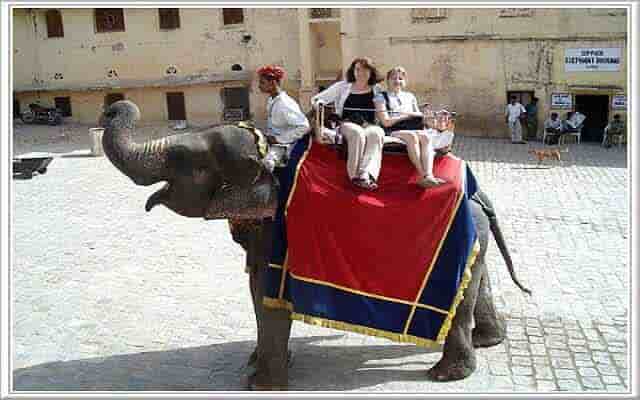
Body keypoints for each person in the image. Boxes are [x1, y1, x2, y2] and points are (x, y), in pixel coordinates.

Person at [311, 57, 386, 190]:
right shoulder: (343, 86)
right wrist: (320, 104)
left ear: (371, 72)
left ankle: (366, 174)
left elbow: (383, 108)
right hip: (347, 123)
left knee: (377, 133)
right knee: (357, 133)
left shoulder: (377, 89)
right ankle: (354, 176)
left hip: (368, 125)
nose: (361, 73)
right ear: (353, 71)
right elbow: (317, 99)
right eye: (357, 69)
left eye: (365, 70)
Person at [374, 66, 445, 188]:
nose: (397, 81)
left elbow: (418, 116)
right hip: (392, 129)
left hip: (412, 127)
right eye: (393, 78)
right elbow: (385, 122)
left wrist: (431, 118)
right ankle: (423, 175)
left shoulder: (410, 96)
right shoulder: (380, 97)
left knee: (426, 137)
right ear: (388, 80)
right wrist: (404, 116)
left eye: (400, 78)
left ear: (405, 81)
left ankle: (429, 175)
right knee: (411, 136)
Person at [256, 64, 310, 172]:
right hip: (272, 139)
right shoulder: (272, 100)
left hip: (286, 144)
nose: (259, 86)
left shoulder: (285, 103)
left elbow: (304, 127)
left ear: (273, 83)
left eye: (262, 82)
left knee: (267, 163)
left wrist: (278, 139)